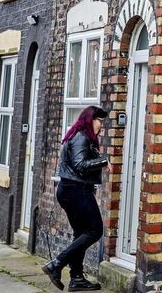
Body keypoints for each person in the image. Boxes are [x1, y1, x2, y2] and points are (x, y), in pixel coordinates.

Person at [43, 106, 110, 292]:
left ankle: (77, 278)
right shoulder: (81, 137)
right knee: (94, 230)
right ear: (90, 120)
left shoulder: (81, 136)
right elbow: (80, 165)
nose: (101, 125)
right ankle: (57, 263)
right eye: (99, 121)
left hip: (71, 190)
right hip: (76, 191)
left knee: (81, 233)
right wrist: (103, 161)